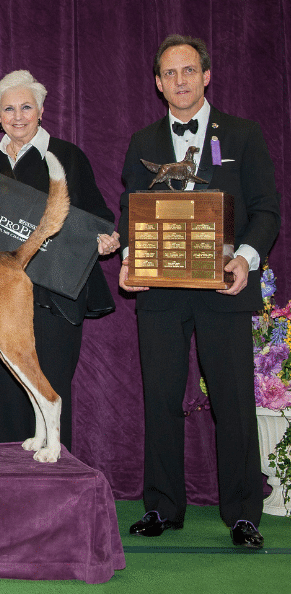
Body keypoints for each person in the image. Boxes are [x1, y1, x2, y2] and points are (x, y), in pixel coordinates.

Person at [119, 35, 280, 549]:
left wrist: (244, 260)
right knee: (160, 397)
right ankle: (162, 506)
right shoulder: (143, 142)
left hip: (224, 286)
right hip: (161, 290)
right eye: (169, 74)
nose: (180, 81)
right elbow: (131, 212)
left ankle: (242, 513)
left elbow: (267, 211)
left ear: (207, 75)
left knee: (232, 400)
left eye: (188, 71)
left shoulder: (244, 135)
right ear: (158, 83)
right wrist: (128, 264)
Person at [0, 70, 119, 451]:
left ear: (40, 111)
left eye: (26, 107)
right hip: (0, 300)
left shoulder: (68, 156)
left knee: (48, 392)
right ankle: (5, 487)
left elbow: (98, 217)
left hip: (55, 300)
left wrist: (106, 239)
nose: (17, 116)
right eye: (8, 109)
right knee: (7, 396)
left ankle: (54, 486)